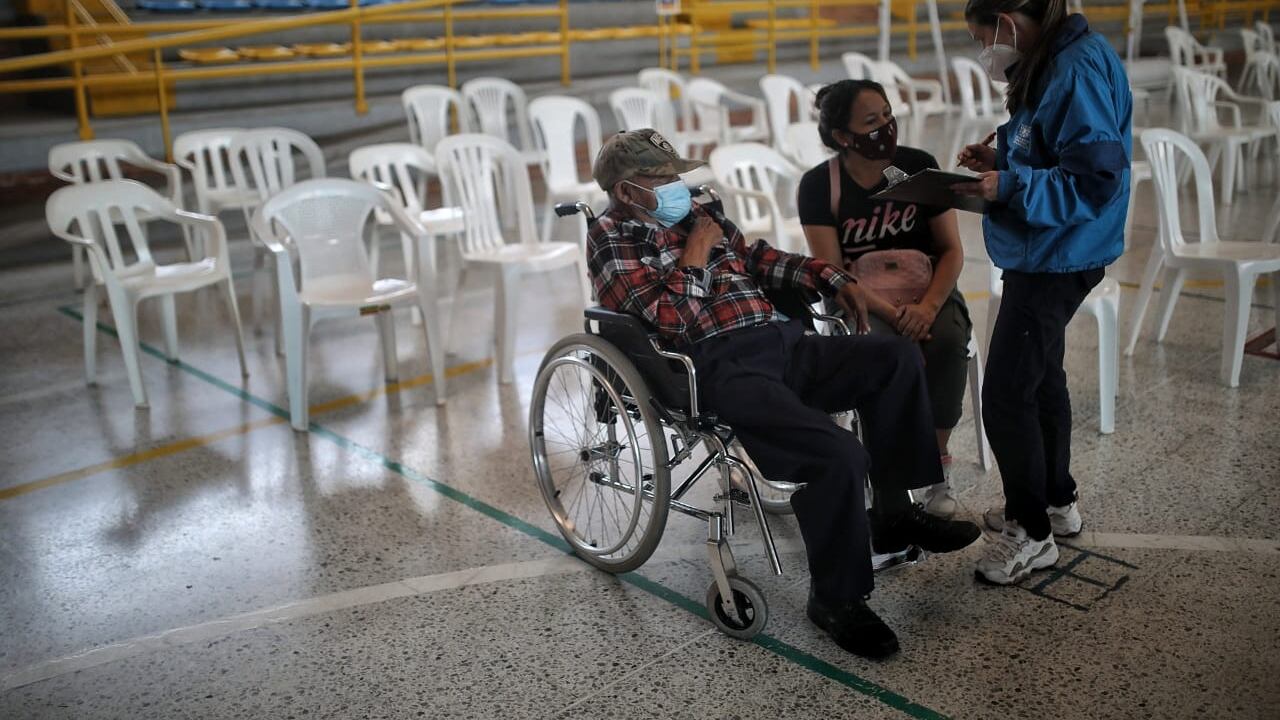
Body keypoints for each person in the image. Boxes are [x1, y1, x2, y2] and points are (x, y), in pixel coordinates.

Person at [586, 128, 981, 660]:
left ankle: (892, 513)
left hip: (783, 341)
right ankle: (837, 601)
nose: (679, 185)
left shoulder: (700, 216)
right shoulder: (613, 236)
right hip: (719, 365)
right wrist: (697, 255)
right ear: (628, 190)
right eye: (664, 178)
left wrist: (829, 275)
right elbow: (668, 319)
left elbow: (758, 258)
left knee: (894, 358)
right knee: (837, 454)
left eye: (679, 174)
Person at [954, 0, 1131, 585]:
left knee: (1005, 392)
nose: (985, 49)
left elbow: (1095, 179)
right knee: (1041, 375)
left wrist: (1009, 184)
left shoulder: (1075, 67)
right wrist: (1001, 157)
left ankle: (1031, 532)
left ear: (1007, 20)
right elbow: (1047, 141)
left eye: (984, 36)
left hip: (1061, 254)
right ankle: (1057, 500)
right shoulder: (1050, 56)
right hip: (1050, 247)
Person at [798, 79, 973, 520]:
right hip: (863, 300)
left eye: (888, 116)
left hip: (926, 290)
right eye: (872, 121)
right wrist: (895, 315)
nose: (886, 128)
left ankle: (936, 466)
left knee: (948, 342)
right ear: (843, 136)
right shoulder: (820, 186)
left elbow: (951, 251)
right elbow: (834, 274)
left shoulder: (917, 168)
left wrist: (928, 307)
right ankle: (890, 485)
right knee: (887, 355)